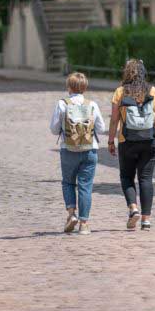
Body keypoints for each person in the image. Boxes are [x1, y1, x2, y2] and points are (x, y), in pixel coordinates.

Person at [108, 59, 155, 231]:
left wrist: (110, 140)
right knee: (146, 178)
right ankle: (146, 220)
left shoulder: (120, 92)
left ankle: (133, 208)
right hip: (151, 140)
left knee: (126, 177)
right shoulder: (154, 91)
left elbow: (114, 120)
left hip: (127, 140)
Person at [49, 72, 105, 235]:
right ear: (85, 87)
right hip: (89, 149)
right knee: (85, 186)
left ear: (69, 87)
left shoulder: (62, 104)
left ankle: (71, 214)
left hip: (68, 149)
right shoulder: (92, 104)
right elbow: (101, 128)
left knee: (68, 182)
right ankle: (84, 224)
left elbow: (53, 129)